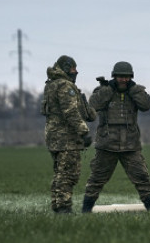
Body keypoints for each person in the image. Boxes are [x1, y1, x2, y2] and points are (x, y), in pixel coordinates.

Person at [81, 61, 150, 212]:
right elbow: (92, 105)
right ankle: (85, 211)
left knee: (142, 178)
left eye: (127, 77)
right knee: (96, 180)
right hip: (107, 145)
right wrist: (108, 89)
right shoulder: (104, 91)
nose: (123, 80)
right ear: (114, 76)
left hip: (130, 145)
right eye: (120, 77)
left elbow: (147, 105)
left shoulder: (135, 92)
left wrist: (134, 90)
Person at [42, 55, 96, 213]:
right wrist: (83, 131)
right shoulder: (66, 86)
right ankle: (64, 208)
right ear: (66, 69)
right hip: (66, 138)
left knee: (60, 173)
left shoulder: (51, 85)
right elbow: (70, 112)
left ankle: (57, 206)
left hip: (53, 137)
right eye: (73, 69)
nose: (76, 72)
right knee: (68, 174)